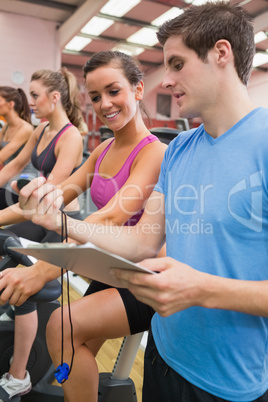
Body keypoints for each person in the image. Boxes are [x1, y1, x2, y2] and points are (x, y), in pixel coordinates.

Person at [13, 2, 268, 401]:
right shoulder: (180, 148)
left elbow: (117, 216)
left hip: (227, 382)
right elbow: (143, 243)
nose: (166, 81)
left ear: (222, 53)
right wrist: (61, 225)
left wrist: (202, 290)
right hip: (165, 356)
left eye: (177, 65)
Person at [0, 51, 167, 401]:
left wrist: (41, 272)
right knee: (70, 355)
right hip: (109, 271)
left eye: (113, 91)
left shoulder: (154, 152)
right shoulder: (103, 149)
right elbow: (53, 197)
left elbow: (106, 219)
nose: (104, 103)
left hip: (143, 277)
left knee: (61, 330)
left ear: (138, 90)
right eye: (95, 96)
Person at [0, 68, 84, 400]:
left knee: (25, 282)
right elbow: (14, 164)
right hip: (38, 212)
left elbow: (46, 199)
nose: (30, 101)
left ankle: (18, 375)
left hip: (57, 222)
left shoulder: (72, 137)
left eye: (35, 95)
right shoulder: (42, 130)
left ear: (55, 97)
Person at [0, 86, 34, 209]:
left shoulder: (25, 129)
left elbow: (1, 157)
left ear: (10, 104)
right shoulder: (6, 127)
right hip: (6, 181)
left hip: (21, 184)